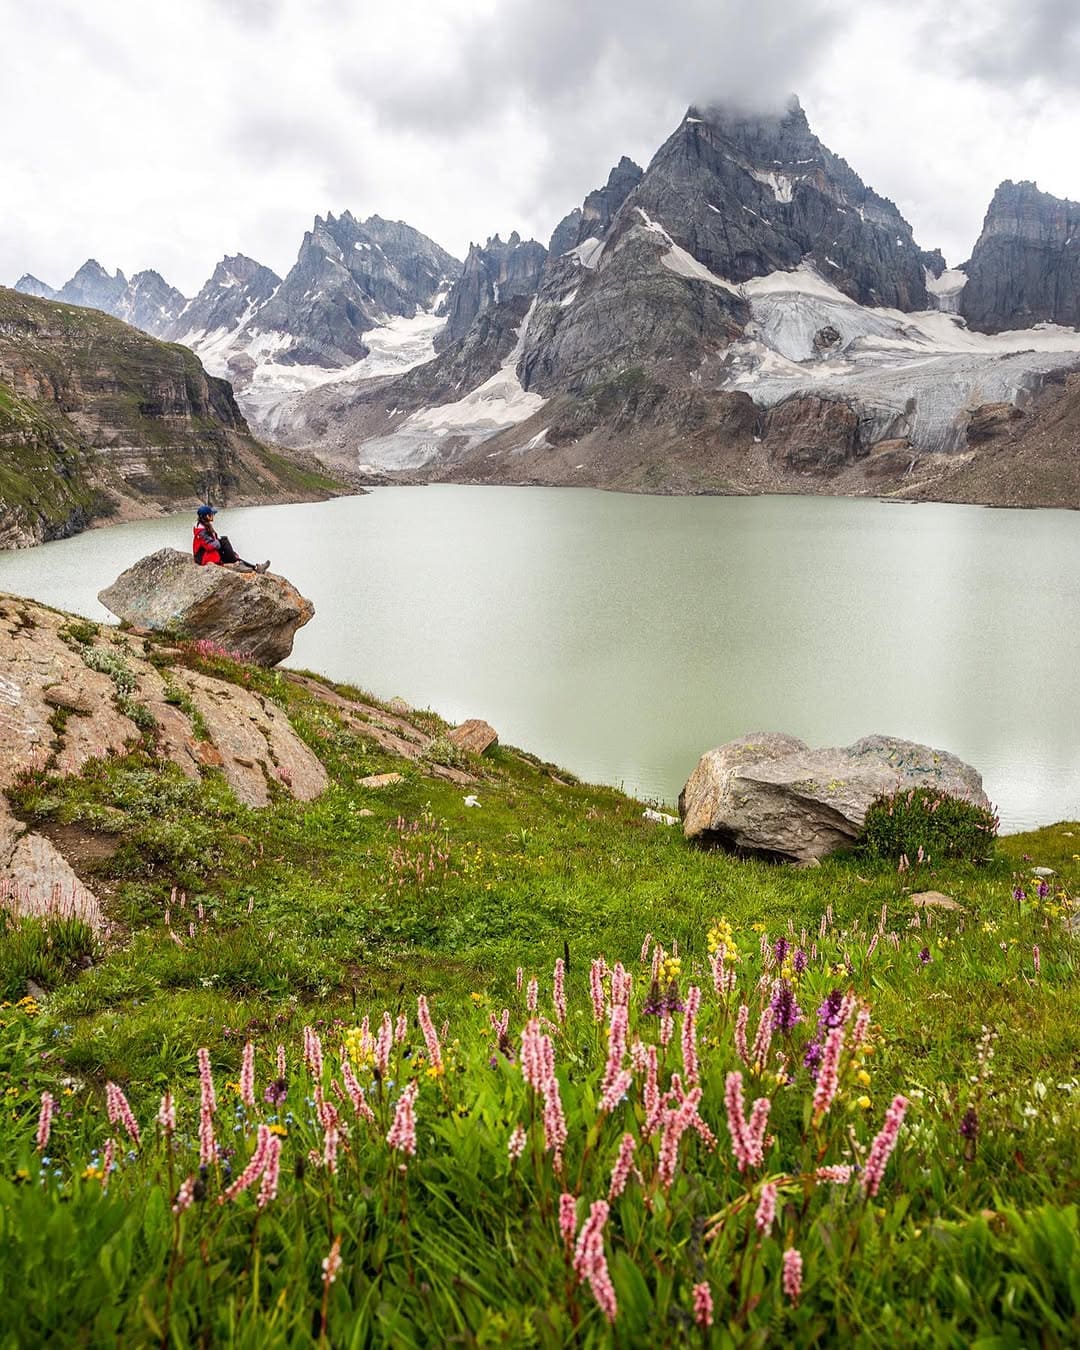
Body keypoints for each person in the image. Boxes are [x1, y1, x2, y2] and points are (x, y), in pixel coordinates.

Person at [192, 506, 270, 573]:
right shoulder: (202, 531)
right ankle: (247, 566)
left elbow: (213, 542)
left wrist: (220, 543)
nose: (213, 515)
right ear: (207, 516)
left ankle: (254, 567)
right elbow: (209, 546)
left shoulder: (203, 526)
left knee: (225, 542)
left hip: (207, 553)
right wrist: (219, 542)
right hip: (203, 557)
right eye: (212, 514)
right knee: (224, 543)